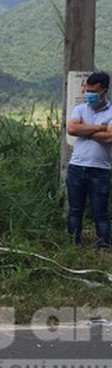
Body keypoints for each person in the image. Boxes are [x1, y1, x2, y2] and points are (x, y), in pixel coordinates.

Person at [66, 71, 112, 248]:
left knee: (100, 213)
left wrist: (84, 131)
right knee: (75, 211)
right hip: (76, 167)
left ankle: (103, 248)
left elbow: (109, 138)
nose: (89, 95)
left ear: (104, 91)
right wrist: (99, 128)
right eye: (88, 90)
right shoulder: (80, 109)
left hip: (100, 170)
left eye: (94, 91)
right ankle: (73, 245)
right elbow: (71, 129)